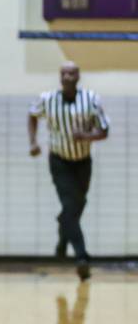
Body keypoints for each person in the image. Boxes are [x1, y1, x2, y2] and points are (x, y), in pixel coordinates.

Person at [28, 61, 109, 281]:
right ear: (59, 76)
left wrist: (86, 137)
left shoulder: (91, 99)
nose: (67, 77)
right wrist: (33, 142)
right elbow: (32, 114)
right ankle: (82, 257)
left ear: (78, 76)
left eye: (71, 73)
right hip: (59, 161)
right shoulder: (48, 99)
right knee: (70, 204)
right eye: (63, 73)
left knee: (77, 205)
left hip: (83, 161)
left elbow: (104, 131)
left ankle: (63, 239)